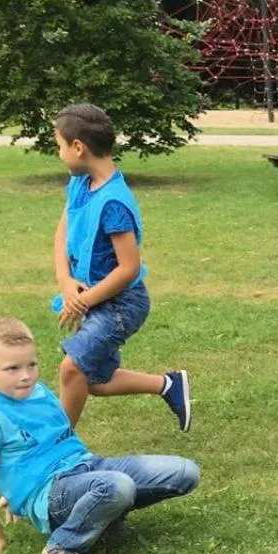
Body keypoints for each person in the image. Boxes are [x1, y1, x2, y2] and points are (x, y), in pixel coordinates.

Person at [0, 316, 200, 554]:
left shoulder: (38, 392)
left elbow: (45, 441)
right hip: (52, 494)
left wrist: (13, 485)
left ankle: (103, 521)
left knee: (186, 472)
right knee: (117, 486)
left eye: (32, 365)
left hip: (85, 466)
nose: (26, 376)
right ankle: (63, 545)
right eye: (13, 368)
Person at [52, 102, 191, 432]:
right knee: (94, 381)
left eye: (59, 146)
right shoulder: (79, 185)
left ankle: (56, 447)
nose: (59, 154)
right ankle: (168, 385)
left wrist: (83, 300)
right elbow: (63, 230)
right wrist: (65, 281)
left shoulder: (114, 202)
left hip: (121, 304)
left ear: (78, 147)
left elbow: (129, 268)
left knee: (72, 369)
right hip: (95, 299)